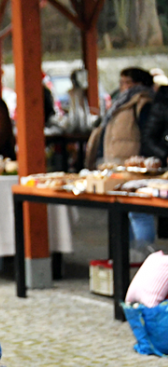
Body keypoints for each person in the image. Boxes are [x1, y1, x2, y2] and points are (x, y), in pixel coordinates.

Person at [86, 67, 155, 258]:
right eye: (121, 81)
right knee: (122, 211)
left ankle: (145, 255)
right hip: (115, 163)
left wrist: (142, 162)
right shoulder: (121, 103)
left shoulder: (143, 103)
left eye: (127, 82)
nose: (122, 86)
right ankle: (127, 255)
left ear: (139, 84)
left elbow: (147, 134)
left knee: (138, 211)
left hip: (133, 164)